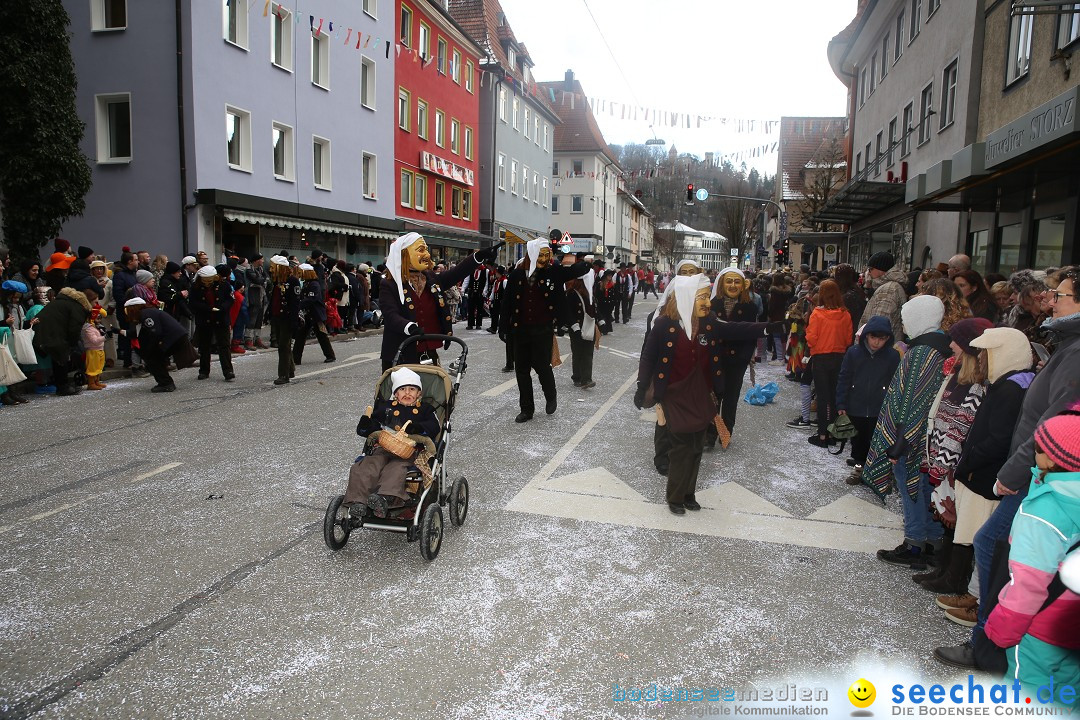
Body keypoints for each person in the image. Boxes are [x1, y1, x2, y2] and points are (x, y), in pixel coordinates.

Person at [935, 267, 1080, 670]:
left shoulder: (1073, 352)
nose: (1052, 300)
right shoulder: (1067, 344)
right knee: (1001, 550)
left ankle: (992, 643)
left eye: (1061, 294)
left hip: (1045, 473)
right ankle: (994, 637)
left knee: (1003, 551)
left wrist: (1011, 474)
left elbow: (1053, 423)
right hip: (1038, 470)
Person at [982, 408, 1080, 700]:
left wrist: (1002, 629)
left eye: (1038, 447)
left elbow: (1029, 583)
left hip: (1039, 632)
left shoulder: (1042, 512)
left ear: (1051, 458)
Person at [863, 295, 952, 568]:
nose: (904, 322)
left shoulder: (923, 352)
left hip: (912, 437)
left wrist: (900, 442)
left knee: (910, 486)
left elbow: (913, 401)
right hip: (928, 436)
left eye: (907, 316)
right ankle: (932, 542)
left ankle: (914, 543)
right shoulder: (941, 347)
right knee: (925, 488)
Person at [913, 318, 993, 596]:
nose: (950, 346)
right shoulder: (956, 376)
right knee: (948, 514)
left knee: (956, 517)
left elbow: (960, 428)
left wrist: (943, 463)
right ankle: (945, 568)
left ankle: (954, 576)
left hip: (953, 462)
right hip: (942, 459)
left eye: (955, 341)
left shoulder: (976, 387)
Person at [379, 233, 498, 371]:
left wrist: (478, 257)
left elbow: (455, 273)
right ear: (404, 254)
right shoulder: (389, 284)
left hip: (428, 350)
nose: (427, 255)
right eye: (421, 250)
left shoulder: (429, 278)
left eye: (426, 250)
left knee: (432, 390)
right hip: (400, 352)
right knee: (403, 392)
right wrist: (408, 326)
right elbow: (390, 314)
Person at [500, 239, 588, 422]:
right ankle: (527, 409)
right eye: (541, 255)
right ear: (531, 255)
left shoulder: (552, 272)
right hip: (520, 330)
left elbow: (572, 271)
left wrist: (583, 264)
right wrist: (503, 327)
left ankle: (550, 395)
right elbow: (506, 303)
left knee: (542, 367)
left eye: (547, 255)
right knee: (522, 370)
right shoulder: (516, 275)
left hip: (543, 329)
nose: (545, 259)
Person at [344, 368, 441, 518]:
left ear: (419, 393)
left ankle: (386, 498)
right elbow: (374, 427)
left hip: (409, 451)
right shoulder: (386, 407)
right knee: (366, 465)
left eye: (412, 389)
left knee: (396, 468)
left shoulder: (425, 409)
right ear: (396, 394)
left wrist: (420, 428)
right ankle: (358, 502)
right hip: (384, 447)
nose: (407, 393)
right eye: (402, 389)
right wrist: (365, 426)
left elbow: (435, 426)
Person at [836, 316, 901, 485]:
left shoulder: (892, 356)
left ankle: (876, 469)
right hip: (855, 404)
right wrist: (841, 402)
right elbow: (844, 377)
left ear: (888, 338)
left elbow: (895, 381)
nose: (876, 342)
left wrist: (892, 405)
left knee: (877, 439)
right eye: (873, 337)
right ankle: (859, 466)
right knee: (858, 439)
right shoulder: (854, 352)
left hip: (879, 406)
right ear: (866, 335)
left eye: (882, 339)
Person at [708, 268, 761, 445]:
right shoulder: (711, 305)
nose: (732, 285)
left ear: (743, 285)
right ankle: (710, 435)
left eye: (736, 281)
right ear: (722, 283)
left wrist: (744, 358)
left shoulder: (750, 307)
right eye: (728, 281)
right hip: (715, 360)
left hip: (737, 361)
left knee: (731, 400)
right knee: (713, 398)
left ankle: (726, 434)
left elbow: (751, 336)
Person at [31, 275, 102, 396]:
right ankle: (62, 386)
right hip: (51, 332)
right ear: (89, 300)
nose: (97, 303)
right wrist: (73, 344)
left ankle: (62, 385)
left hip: (46, 329)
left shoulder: (67, 300)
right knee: (61, 355)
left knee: (59, 356)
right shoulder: (78, 307)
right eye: (95, 301)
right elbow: (74, 328)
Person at [805, 279, 854, 448]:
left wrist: (815, 347)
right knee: (835, 397)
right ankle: (834, 434)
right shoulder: (845, 314)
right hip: (839, 357)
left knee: (822, 396)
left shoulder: (817, 315)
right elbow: (849, 339)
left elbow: (811, 337)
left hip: (821, 358)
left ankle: (822, 435)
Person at [124, 297, 196, 392]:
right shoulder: (148, 312)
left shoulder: (145, 314)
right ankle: (165, 381)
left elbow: (154, 332)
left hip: (173, 338)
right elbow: (141, 333)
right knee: (155, 357)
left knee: (152, 358)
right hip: (175, 336)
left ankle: (166, 383)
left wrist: (149, 349)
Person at [188, 265, 235, 381]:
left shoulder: (224, 285)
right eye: (205, 280)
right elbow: (193, 303)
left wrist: (223, 308)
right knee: (204, 346)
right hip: (205, 319)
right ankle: (204, 370)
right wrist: (207, 308)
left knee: (224, 345)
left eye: (210, 279)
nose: (208, 282)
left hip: (221, 318)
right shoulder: (195, 287)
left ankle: (228, 370)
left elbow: (230, 299)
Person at [859, 251, 909, 341]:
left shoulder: (888, 290)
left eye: (870, 269)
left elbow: (879, 326)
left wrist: (868, 347)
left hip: (878, 349)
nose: (868, 272)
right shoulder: (890, 287)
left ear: (880, 269)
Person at [293, 263, 336, 366]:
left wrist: (299, 304)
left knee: (322, 335)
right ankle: (295, 358)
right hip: (307, 314)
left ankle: (330, 355)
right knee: (300, 336)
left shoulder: (314, 284)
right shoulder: (307, 283)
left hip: (316, 315)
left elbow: (311, 299)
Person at [267, 256, 301, 385]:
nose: (270, 269)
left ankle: (283, 375)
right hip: (277, 317)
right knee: (285, 345)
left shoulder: (292, 281)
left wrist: (293, 321)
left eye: (273, 266)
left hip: (287, 318)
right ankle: (290, 369)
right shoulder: (276, 281)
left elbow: (294, 303)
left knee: (283, 345)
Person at [566, 264, 598, 390]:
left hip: (589, 326)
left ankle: (586, 379)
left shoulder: (590, 293)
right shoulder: (572, 294)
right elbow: (568, 311)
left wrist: (600, 321)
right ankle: (577, 376)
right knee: (578, 352)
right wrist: (574, 326)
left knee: (588, 352)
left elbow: (594, 308)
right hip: (577, 327)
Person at [244, 254, 268, 349]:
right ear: (256, 260)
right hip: (253, 295)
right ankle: (248, 339)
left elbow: (266, 279)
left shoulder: (261, 269)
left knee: (259, 318)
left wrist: (263, 280)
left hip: (261, 295)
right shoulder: (249, 269)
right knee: (252, 317)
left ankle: (257, 338)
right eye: (261, 259)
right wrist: (263, 280)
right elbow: (257, 280)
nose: (263, 261)